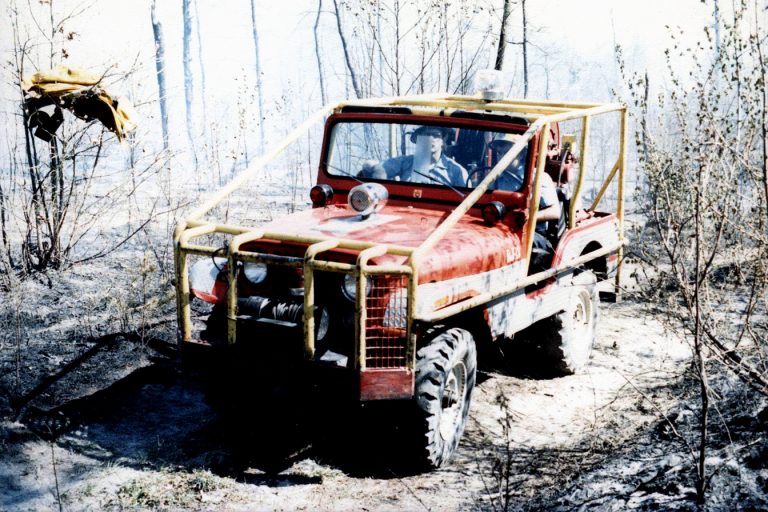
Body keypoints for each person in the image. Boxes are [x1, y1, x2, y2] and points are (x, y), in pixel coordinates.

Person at [361, 126, 467, 187]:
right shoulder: (405, 162)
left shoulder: (456, 171)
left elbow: (468, 203)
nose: (431, 139)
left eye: (436, 135)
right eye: (426, 135)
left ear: (444, 140)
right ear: (418, 139)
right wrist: (377, 171)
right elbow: (379, 167)